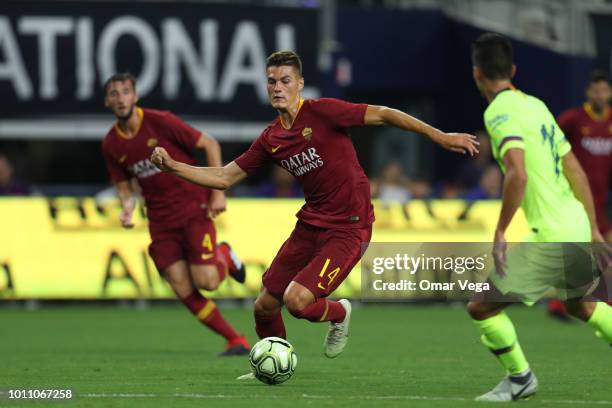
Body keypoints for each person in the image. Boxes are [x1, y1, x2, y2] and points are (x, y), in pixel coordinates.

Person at [150, 50, 479, 373]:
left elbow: (384, 113)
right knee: (265, 305)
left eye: (285, 80)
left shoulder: (323, 112)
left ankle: (339, 313)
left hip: (350, 227)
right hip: (311, 224)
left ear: (300, 84)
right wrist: (173, 166)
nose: (277, 87)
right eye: (271, 81)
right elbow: (224, 177)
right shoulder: (271, 138)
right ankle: (273, 362)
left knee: (296, 301)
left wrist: (439, 136)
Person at [468, 32, 612, 402]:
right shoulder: (536, 105)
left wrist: (500, 231)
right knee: (582, 306)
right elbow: (576, 171)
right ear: (513, 70)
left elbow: (517, 172)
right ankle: (520, 379)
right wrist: (592, 226)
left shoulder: (498, 112)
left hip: (551, 232)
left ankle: (520, 378)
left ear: (477, 74)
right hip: (575, 221)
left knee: (481, 306)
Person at [101, 73, 250, 356]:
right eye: (114, 94)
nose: (120, 98)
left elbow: (210, 144)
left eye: (125, 92)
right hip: (160, 221)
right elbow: (123, 185)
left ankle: (224, 254)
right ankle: (235, 340)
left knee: (207, 281)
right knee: (182, 286)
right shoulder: (111, 144)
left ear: (135, 96)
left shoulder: (161, 121)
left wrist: (219, 191)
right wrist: (127, 208)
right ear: (107, 101)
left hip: (193, 207)